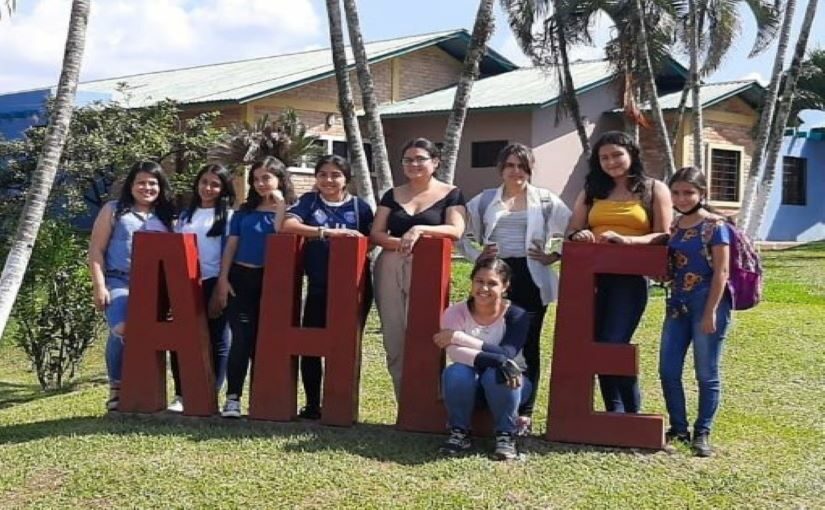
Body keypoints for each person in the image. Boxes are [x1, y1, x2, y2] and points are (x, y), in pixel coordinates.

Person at [458, 142, 570, 434]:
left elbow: (574, 231)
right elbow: (458, 233)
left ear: (530, 170)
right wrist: (475, 255)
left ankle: (524, 412)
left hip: (531, 279)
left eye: (522, 166)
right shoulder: (483, 200)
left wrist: (554, 255)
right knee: (490, 339)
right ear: (501, 168)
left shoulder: (546, 201)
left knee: (527, 345)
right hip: (494, 277)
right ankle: (489, 400)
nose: (516, 171)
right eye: (510, 165)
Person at [566, 131, 672, 414]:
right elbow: (573, 230)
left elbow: (664, 235)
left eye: (616, 155)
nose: (611, 161)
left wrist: (628, 241)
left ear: (632, 154)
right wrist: (581, 236)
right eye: (604, 157)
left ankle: (631, 414)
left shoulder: (653, 189)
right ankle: (613, 412)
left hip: (629, 279)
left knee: (614, 344)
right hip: (590, 278)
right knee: (595, 344)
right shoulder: (591, 190)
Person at [370, 138, 466, 401]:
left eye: (420, 159)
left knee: (427, 332)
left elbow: (456, 230)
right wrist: (402, 243)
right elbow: (376, 233)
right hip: (390, 264)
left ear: (435, 162)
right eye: (408, 160)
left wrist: (420, 229)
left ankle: (430, 402)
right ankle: (405, 402)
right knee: (394, 334)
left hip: (429, 267)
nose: (414, 164)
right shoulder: (392, 194)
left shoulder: (452, 193)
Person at [281, 154, 374, 419]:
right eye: (323, 174)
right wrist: (328, 233)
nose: (328, 180)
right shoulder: (309, 202)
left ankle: (340, 403)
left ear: (346, 179)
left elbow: (372, 239)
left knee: (345, 346)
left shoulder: (360, 207)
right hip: (319, 286)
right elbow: (287, 225)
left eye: (335, 175)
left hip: (352, 288)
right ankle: (312, 404)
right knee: (311, 345)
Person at [212, 156, 296, 418]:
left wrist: (281, 203)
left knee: (266, 341)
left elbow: (280, 231)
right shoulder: (243, 212)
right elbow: (231, 246)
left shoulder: (292, 211)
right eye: (256, 179)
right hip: (240, 279)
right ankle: (233, 399)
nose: (261, 183)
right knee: (242, 339)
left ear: (280, 180)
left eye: (266, 178)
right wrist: (223, 280)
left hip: (272, 282)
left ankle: (263, 399)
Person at [88, 160, 176, 411]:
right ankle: (116, 386)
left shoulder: (167, 217)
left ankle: (146, 388)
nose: (147, 187)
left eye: (153, 183)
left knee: (155, 338)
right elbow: (96, 249)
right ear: (131, 185)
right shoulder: (114, 210)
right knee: (122, 328)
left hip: (156, 287)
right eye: (141, 182)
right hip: (119, 280)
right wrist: (99, 285)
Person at [660, 166, 732, 457]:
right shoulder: (676, 226)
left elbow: (722, 271)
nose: (682, 198)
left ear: (703, 193)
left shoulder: (716, 226)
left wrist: (711, 312)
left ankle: (702, 432)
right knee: (668, 369)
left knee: (706, 372)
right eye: (676, 192)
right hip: (677, 302)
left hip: (707, 300)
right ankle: (679, 427)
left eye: (689, 192)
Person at [434, 257, 530, 461]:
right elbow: (455, 353)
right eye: (479, 281)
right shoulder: (455, 313)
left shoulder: (517, 315)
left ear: (505, 287)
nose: (484, 288)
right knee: (456, 372)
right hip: (469, 383)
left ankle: (506, 435)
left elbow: (507, 354)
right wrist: (498, 360)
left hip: (512, 384)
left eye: (492, 283)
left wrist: (458, 337)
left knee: (499, 374)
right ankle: (459, 432)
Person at [167, 164, 236, 413]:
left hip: (214, 282)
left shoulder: (228, 217)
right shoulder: (185, 215)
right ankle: (181, 394)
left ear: (224, 189)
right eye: (204, 182)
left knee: (218, 338)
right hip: (185, 284)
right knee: (181, 338)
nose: (208, 188)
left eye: (215, 184)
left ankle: (210, 392)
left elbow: (229, 252)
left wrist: (221, 286)